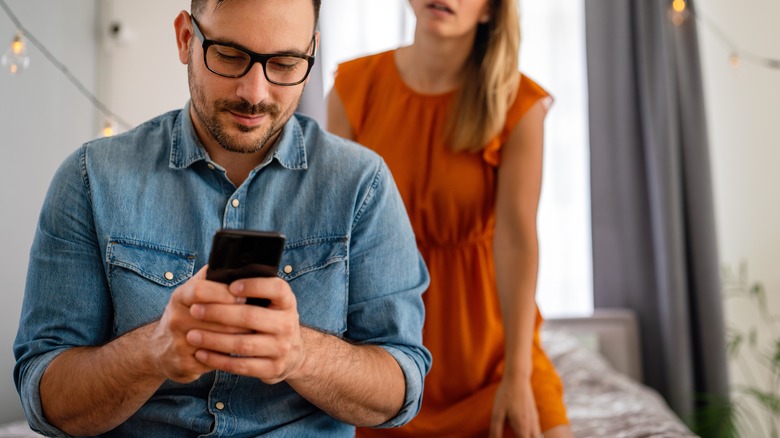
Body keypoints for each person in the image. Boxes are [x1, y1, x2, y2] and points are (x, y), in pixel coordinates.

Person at [13, 0, 432, 436]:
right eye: (230, 56)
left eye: (285, 64)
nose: (255, 93)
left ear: (311, 55)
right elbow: (44, 399)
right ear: (185, 39)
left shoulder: (362, 184)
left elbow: (401, 389)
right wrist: (152, 352)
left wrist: (300, 354)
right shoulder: (91, 178)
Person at [327, 1, 574, 437]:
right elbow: (333, 234)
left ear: (489, 11)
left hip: (490, 358)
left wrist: (517, 376)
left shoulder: (519, 104)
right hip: (386, 348)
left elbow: (517, 244)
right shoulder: (355, 88)